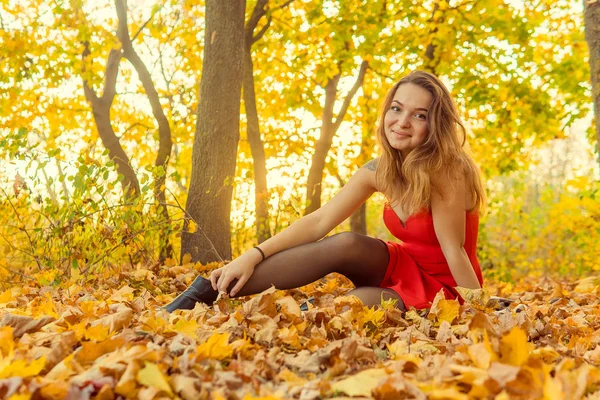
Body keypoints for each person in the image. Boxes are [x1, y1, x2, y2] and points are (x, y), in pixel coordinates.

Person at [165, 70, 485, 313]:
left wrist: (475, 309)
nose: (402, 122)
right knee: (346, 242)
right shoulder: (379, 170)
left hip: (448, 287)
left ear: (436, 124)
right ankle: (207, 290)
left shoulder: (448, 171)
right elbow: (319, 222)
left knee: (349, 307)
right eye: (397, 109)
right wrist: (252, 255)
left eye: (419, 115)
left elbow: (453, 250)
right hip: (403, 264)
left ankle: (302, 319)